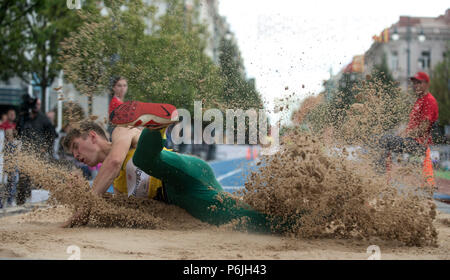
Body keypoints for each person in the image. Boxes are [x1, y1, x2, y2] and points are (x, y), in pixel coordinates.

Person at [62, 101, 272, 232]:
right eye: (73, 154)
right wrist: (79, 195)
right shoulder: (111, 180)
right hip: (180, 195)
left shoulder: (121, 132)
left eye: (76, 147)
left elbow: (115, 162)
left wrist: (86, 204)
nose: (76, 156)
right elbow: (126, 209)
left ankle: (157, 124)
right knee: (236, 218)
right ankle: (291, 222)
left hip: (179, 170)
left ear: (91, 137)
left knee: (145, 160)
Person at [377, 71, 439, 172]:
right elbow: (411, 127)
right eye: (414, 83)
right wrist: (400, 134)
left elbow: (423, 129)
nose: (415, 85)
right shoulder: (420, 100)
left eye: (419, 82)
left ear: (427, 84)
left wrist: (404, 135)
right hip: (412, 140)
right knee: (378, 138)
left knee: (385, 140)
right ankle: (378, 175)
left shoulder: (429, 100)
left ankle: (378, 177)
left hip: (420, 144)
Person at [15, 95, 58, 205]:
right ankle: (20, 202)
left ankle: (39, 203)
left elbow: (53, 135)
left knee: (39, 179)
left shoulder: (44, 119)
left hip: (40, 154)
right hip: (25, 153)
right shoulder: (24, 118)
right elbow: (17, 132)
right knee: (23, 179)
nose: (36, 107)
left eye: (38, 105)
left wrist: (46, 148)